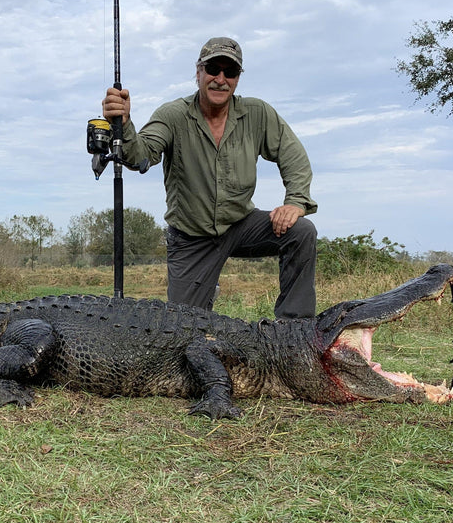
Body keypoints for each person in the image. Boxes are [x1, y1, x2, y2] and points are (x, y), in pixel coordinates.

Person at [102, 36, 318, 318]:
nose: (220, 78)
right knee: (183, 330)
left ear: (238, 78)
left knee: (301, 232)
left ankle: (294, 330)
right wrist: (124, 124)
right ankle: (203, 288)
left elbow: (294, 156)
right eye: (213, 69)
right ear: (198, 72)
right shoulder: (173, 115)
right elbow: (141, 155)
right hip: (191, 238)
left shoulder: (257, 113)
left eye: (230, 72)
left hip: (241, 225)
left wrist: (296, 201)